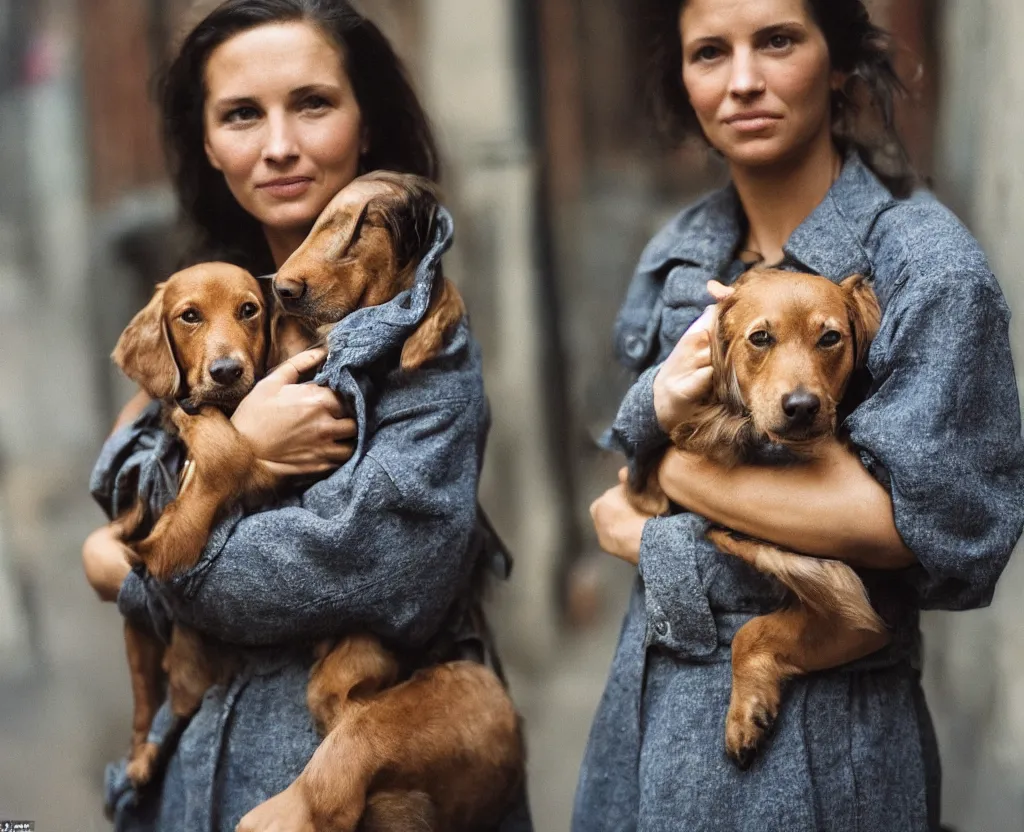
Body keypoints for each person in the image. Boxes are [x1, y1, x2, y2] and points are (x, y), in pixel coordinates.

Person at [80, 2, 532, 830]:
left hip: (360, 778)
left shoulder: (423, 330)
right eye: (242, 115)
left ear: (366, 125)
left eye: (313, 104)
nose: (279, 144)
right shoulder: (216, 294)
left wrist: (140, 568)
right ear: (209, 145)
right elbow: (115, 478)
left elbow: (366, 570)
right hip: (199, 771)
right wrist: (242, 442)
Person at [575, 0, 1024, 830]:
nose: (743, 81)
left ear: (841, 63)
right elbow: (625, 451)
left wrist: (668, 478)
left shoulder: (926, 268)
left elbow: (918, 529)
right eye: (710, 52)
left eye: (777, 41)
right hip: (648, 723)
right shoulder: (682, 252)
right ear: (684, 80)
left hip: (823, 754)